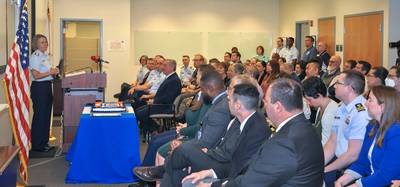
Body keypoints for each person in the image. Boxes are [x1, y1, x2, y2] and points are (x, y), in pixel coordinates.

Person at [183, 78, 324, 186]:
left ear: (278, 107)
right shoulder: (307, 129)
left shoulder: (284, 142)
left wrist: (214, 185)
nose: (264, 105)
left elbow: (249, 183)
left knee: (188, 183)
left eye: (267, 102)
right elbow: (248, 166)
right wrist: (212, 172)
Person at [161, 83, 271, 187]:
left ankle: (162, 168)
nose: (227, 102)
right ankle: (164, 168)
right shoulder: (245, 120)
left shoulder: (257, 130)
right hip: (223, 162)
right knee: (175, 173)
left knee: (185, 150)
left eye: (229, 99)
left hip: (229, 172)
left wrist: (212, 177)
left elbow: (240, 168)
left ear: (238, 106)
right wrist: (210, 171)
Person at [335, 86, 400, 187]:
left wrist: (356, 185)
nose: (365, 103)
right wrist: (342, 180)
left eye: (370, 100)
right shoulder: (372, 126)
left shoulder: (396, 133)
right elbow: (363, 163)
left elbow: (386, 175)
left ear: (382, 107)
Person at [323, 70, 370, 187]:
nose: (334, 86)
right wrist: (318, 164)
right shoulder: (342, 106)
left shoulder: (361, 112)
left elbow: (353, 154)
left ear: (349, 88)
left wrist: (326, 169)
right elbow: (332, 142)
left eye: (338, 83)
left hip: (354, 170)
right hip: (338, 164)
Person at [134, 59, 182, 136]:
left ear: (171, 67)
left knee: (139, 113)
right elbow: (163, 95)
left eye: (165, 65)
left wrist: (154, 101)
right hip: (160, 105)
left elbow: (169, 98)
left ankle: (153, 130)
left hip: (165, 107)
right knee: (138, 110)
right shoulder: (170, 78)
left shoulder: (174, 80)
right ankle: (153, 129)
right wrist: (154, 100)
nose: (162, 67)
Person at [29, 34, 59, 152]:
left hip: (46, 87)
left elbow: (45, 72)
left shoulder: (44, 56)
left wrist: (54, 71)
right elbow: (36, 76)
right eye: (42, 42)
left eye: (46, 42)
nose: (45, 44)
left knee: (46, 116)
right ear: (36, 44)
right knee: (40, 117)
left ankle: (44, 142)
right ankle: (37, 145)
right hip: (39, 88)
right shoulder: (35, 56)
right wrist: (50, 72)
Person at [302, 77, 339, 145]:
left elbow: (326, 143)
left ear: (318, 95)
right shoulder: (321, 106)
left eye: (309, 100)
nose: (308, 103)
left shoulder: (330, 113)